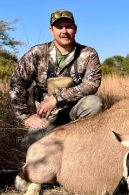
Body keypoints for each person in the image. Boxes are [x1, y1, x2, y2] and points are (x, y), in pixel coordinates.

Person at [10, 9, 103, 150]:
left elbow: (91, 84)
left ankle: (82, 145)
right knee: (28, 147)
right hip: (47, 115)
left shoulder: (88, 53)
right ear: (51, 30)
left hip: (76, 110)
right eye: (59, 27)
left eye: (68, 26)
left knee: (94, 103)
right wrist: (26, 116)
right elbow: (17, 83)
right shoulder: (36, 53)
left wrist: (56, 98)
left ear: (75, 29)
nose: (64, 31)